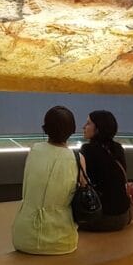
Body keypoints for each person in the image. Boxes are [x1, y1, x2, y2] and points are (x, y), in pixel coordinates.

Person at [12, 106, 79, 254]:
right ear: (72, 130)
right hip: (62, 241)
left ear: (45, 128)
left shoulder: (33, 150)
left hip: (23, 237)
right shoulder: (77, 159)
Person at [78, 110, 133, 231]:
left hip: (104, 218)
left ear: (98, 128)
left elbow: (82, 181)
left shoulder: (87, 150)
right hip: (124, 215)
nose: (83, 127)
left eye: (88, 123)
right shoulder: (118, 148)